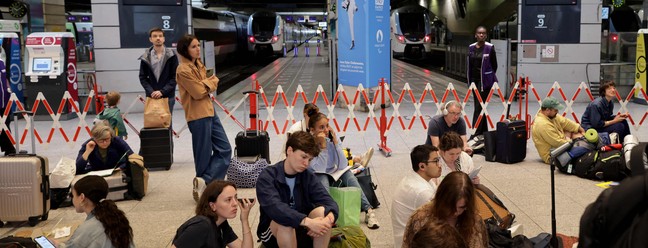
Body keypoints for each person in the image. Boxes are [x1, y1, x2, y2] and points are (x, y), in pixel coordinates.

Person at [256, 131, 338, 248]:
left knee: (323, 213)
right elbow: (276, 208)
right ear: (289, 151)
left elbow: (329, 202)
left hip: (301, 228)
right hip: (274, 232)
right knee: (286, 223)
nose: (306, 163)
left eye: (309, 160)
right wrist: (309, 222)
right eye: (304, 157)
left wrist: (328, 220)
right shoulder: (268, 176)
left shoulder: (307, 176)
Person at [175, 34, 232, 202]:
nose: (198, 49)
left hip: (209, 111)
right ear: (185, 50)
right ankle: (206, 190)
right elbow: (199, 92)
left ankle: (204, 181)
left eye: (198, 46)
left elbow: (210, 83)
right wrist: (210, 83)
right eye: (193, 47)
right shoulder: (183, 69)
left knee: (225, 149)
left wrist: (208, 83)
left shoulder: (198, 64)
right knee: (204, 154)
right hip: (197, 115)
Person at [308, 112, 380, 229]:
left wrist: (336, 143)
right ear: (312, 130)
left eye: (327, 126)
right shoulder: (310, 143)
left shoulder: (331, 139)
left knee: (348, 175)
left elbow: (343, 165)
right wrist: (323, 147)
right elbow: (319, 169)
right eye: (321, 127)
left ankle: (368, 210)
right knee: (323, 179)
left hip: (333, 171)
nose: (326, 130)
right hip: (317, 174)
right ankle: (327, 216)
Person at [402, 171, 488, 248]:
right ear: (441, 199)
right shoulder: (420, 218)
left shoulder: (475, 222)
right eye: (450, 206)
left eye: (461, 207)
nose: (454, 212)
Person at [53, 175, 134, 248]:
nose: (72, 199)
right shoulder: (116, 217)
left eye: (73, 195)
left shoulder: (87, 229)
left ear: (82, 197)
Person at [282, 103, 373, 165]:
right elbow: (294, 154)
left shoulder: (317, 127)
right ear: (305, 115)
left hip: (318, 157)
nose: (314, 118)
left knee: (336, 149)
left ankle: (358, 158)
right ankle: (357, 159)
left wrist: (333, 139)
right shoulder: (296, 130)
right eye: (311, 115)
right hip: (302, 160)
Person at [173, 180, 254, 248]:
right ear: (213, 206)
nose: (235, 203)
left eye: (235, 197)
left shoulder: (221, 224)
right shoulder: (201, 226)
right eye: (228, 200)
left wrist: (244, 220)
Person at [391, 144, 441, 248]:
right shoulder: (421, 191)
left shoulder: (418, 177)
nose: (439, 165)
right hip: (413, 242)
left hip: (413, 237)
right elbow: (440, 220)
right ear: (422, 166)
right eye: (435, 161)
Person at [532, 97, 585, 164]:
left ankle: (582, 141)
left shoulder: (551, 116)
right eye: (555, 110)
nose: (557, 112)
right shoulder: (542, 124)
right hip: (553, 155)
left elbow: (565, 122)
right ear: (548, 110)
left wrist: (580, 128)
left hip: (559, 144)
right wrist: (572, 140)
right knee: (582, 147)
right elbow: (558, 143)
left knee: (573, 130)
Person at [467, 26, 498, 139]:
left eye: (483, 33)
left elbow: (494, 66)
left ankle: (475, 132)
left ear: (486, 35)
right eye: (479, 33)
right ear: (475, 35)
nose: (481, 35)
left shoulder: (490, 48)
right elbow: (469, 65)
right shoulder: (471, 48)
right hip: (474, 81)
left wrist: (488, 77)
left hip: (485, 83)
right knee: (481, 107)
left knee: (478, 107)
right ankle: (484, 131)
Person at [139, 27, 178, 112]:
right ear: (150, 39)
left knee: (167, 123)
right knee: (153, 123)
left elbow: (175, 77)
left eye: (160, 36)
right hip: (151, 96)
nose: (158, 38)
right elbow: (143, 77)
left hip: (168, 96)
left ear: (164, 39)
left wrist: (162, 92)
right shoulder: (145, 57)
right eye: (155, 36)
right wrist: (151, 91)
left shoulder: (172, 56)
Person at [0, 58, 16, 155]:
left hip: (5, 100)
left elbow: (5, 78)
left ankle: (9, 148)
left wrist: (9, 89)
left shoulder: (1, 62)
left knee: (6, 123)